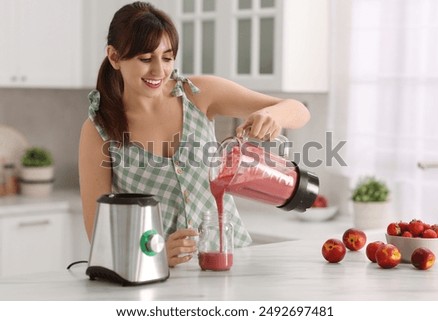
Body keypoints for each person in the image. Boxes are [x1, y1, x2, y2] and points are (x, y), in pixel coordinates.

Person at [78, 1, 310, 267]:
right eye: (145, 59)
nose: (159, 71)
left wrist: (273, 116)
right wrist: (156, 254)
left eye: (167, 58)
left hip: (231, 260)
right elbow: (99, 232)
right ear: (114, 57)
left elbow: (299, 110)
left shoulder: (198, 94)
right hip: (156, 275)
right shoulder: (99, 129)